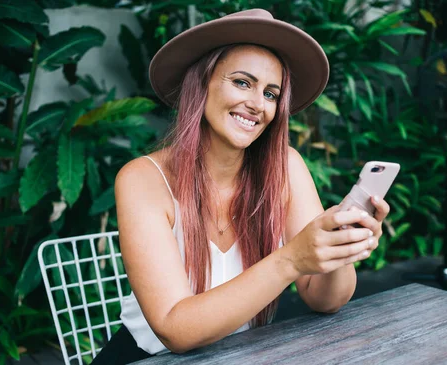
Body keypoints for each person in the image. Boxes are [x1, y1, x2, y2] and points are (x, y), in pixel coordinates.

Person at [92, 8, 390, 364]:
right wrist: (291, 260)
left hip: (241, 355)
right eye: (242, 82)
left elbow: (325, 299)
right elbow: (175, 329)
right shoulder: (143, 179)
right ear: (201, 84)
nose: (256, 104)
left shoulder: (286, 167)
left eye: (271, 93)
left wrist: (340, 247)